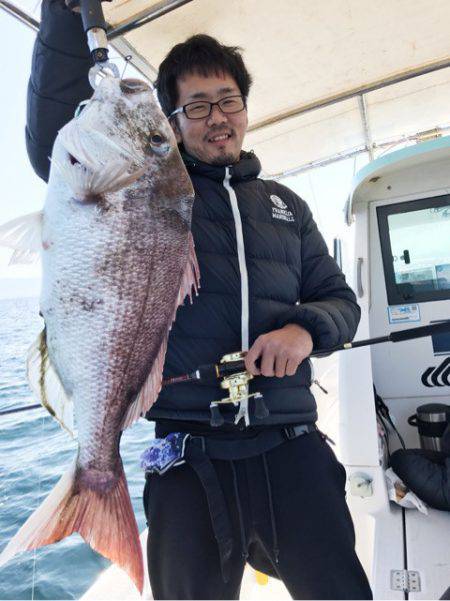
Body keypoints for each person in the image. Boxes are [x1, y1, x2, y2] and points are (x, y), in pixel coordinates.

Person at [27, 2, 372, 599]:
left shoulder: (285, 205)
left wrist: (306, 332)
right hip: (188, 451)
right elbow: (54, 133)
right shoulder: (155, 191)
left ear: (245, 106)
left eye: (229, 99)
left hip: (291, 442)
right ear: (172, 119)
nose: (218, 117)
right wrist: (63, 14)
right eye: (197, 105)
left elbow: (340, 299)